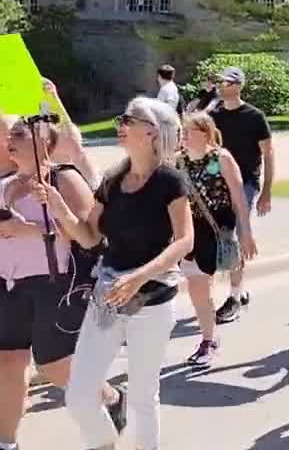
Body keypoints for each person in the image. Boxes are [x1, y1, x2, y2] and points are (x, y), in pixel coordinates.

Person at [52, 98, 192, 450]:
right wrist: (59, 208)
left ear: (151, 132)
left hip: (153, 300)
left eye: (128, 120)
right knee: (80, 394)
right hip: (109, 296)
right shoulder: (113, 180)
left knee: (145, 397)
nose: (121, 125)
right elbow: (89, 236)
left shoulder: (169, 181)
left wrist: (141, 276)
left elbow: (185, 240)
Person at [0, 118, 124, 450]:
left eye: (19, 135)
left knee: (55, 367)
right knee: (8, 362)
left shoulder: (64, 176)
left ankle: (110, 396)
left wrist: (35, 227)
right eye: (9, 135)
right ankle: (7, 443)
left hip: (56, 284)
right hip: (9, 285)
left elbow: (91, 238)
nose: (10, 140)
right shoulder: (9, 183)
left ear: (44, 143)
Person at [177, 112, 258, 368]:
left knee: (201, 285)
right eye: (183, 131)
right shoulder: (178, 161)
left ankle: (208, 340)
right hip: (189, 231)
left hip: (217, 229)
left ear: (205, 132)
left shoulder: (221, 158)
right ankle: (209, 338)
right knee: (197, 289)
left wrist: (245, 232)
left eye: (189, 131)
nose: (184, 135)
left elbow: (238, 197)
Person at [209, 67, 274, 324]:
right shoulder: (212, 115)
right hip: (218, 184)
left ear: (237, 86)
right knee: (220, 236)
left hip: (246, 182)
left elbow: (268, 153)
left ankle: (234, 297)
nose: (220, 86)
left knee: (234, 236)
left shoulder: (254, 116)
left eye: (225, 82)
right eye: (219, 82)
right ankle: (240, 288)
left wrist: (266, 190)